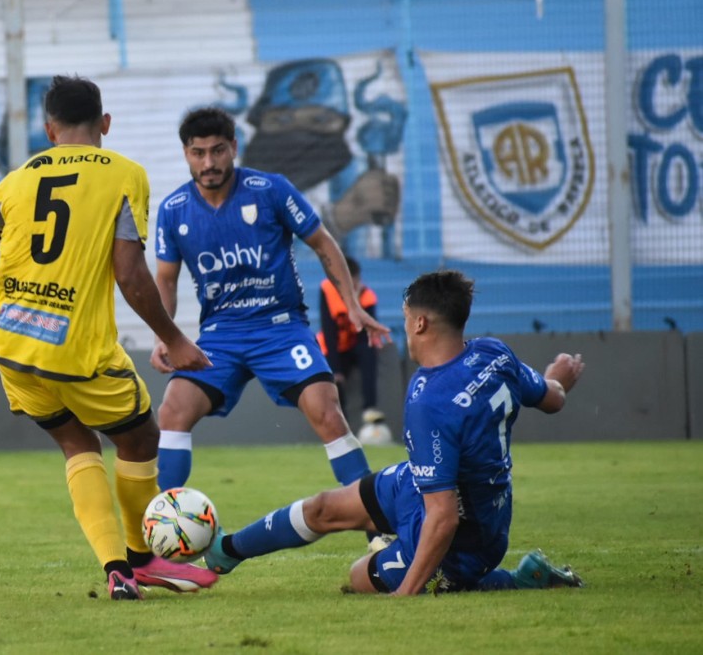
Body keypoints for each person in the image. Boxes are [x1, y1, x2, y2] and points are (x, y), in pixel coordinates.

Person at [0, 75, 218, 601]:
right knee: (139, 438)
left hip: (12, 348)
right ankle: (143, 559)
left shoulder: (17, 179)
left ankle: (115, 569)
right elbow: (131, 274)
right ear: (106, 124)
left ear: (50, 129)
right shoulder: (124, 174)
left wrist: (15, 312)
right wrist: (175, 337)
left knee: (76, 442)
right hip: (79, 352)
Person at [204, 269, 586, 595]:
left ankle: (515, 580)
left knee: (358, 576)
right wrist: (558, 378)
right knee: (324, 506)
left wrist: (406, 595)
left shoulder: (429, 399)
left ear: (420, 323)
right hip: (427, 487)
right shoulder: (493, 353)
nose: (405, 326)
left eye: (405, 317)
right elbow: (552, 398)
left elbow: (445, 516)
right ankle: (226, 550)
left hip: (466, 532)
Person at [151, 107, 392, 503]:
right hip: (220, 335)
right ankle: (167, 530)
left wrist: (351, 304)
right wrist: (165, 335)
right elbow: (166, 280)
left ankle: (377, 528)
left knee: (327, 412)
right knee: (173, 410)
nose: (208, 163)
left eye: (217, 151)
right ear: (186, 154)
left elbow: (323, 243)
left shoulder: (270, 190)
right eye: (198, 153)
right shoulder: (174, 209)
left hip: (280, 328)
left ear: (234, 147)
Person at [316, 255, 390, 443]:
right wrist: (336, 368)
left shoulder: (367, 296)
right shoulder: (328, 290)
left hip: (353, 345)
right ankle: (342, 429)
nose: (355, 286)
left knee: (369, 350)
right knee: (334, 379)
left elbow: (366, 334)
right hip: (333, 347)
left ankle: (370, 408)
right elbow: (328, 329)